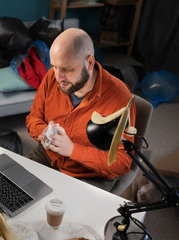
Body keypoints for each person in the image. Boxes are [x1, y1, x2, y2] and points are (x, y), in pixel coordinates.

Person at [25, 28, 136, 192]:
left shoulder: (120, 98)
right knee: (12, 192)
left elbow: (121, 163)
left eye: (67, 69)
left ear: (90, 63)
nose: (58, 77)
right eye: (55, 67)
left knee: (67, 215)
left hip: (89, 174)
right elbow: (33, 117)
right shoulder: (51, 77)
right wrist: (43, 132)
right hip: (48, 155)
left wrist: (72, 150)